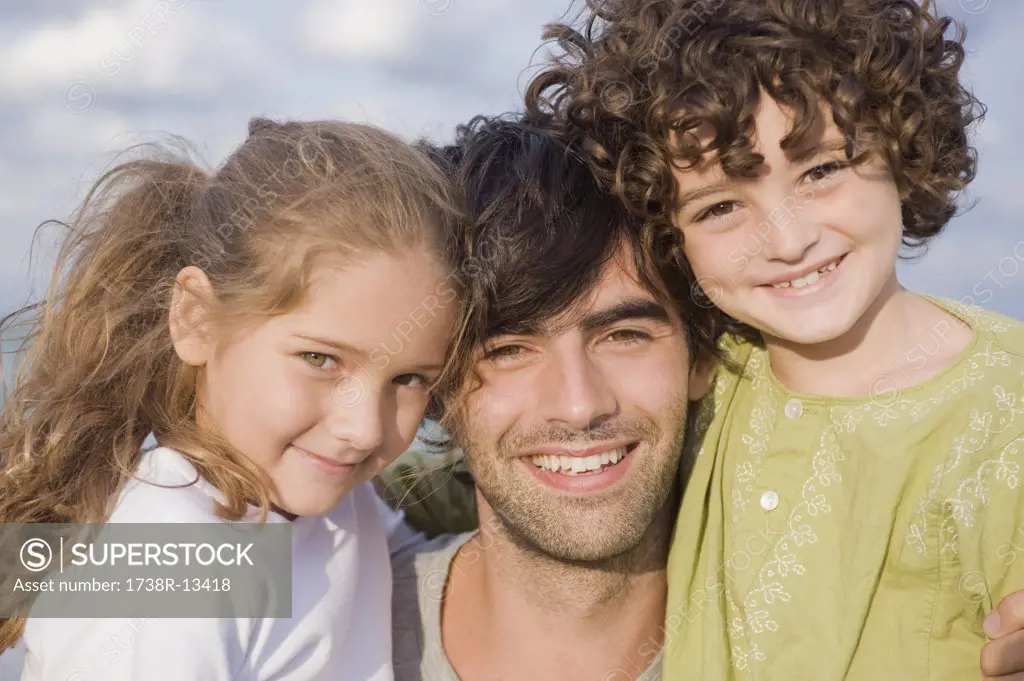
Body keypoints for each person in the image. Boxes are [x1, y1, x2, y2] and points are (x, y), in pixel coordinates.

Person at [524, 0, 1024, 678]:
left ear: (903, 143)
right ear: (670, 233)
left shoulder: (1009, 410)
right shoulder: (702, 380)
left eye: (821, 170)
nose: (788, 240)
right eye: (721, 206)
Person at [0, 118, 463, 680]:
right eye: (320, 359)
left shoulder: (338, 503)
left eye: (410, 378)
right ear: (196, 318)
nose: (363, 428)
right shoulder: (167, 562)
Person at [379, 115, 719, 681]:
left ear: (699, 357)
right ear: (436, 388)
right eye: (509, 349)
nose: (579, 404)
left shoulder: (806, 639)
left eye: (623, 336)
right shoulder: (323, 595)